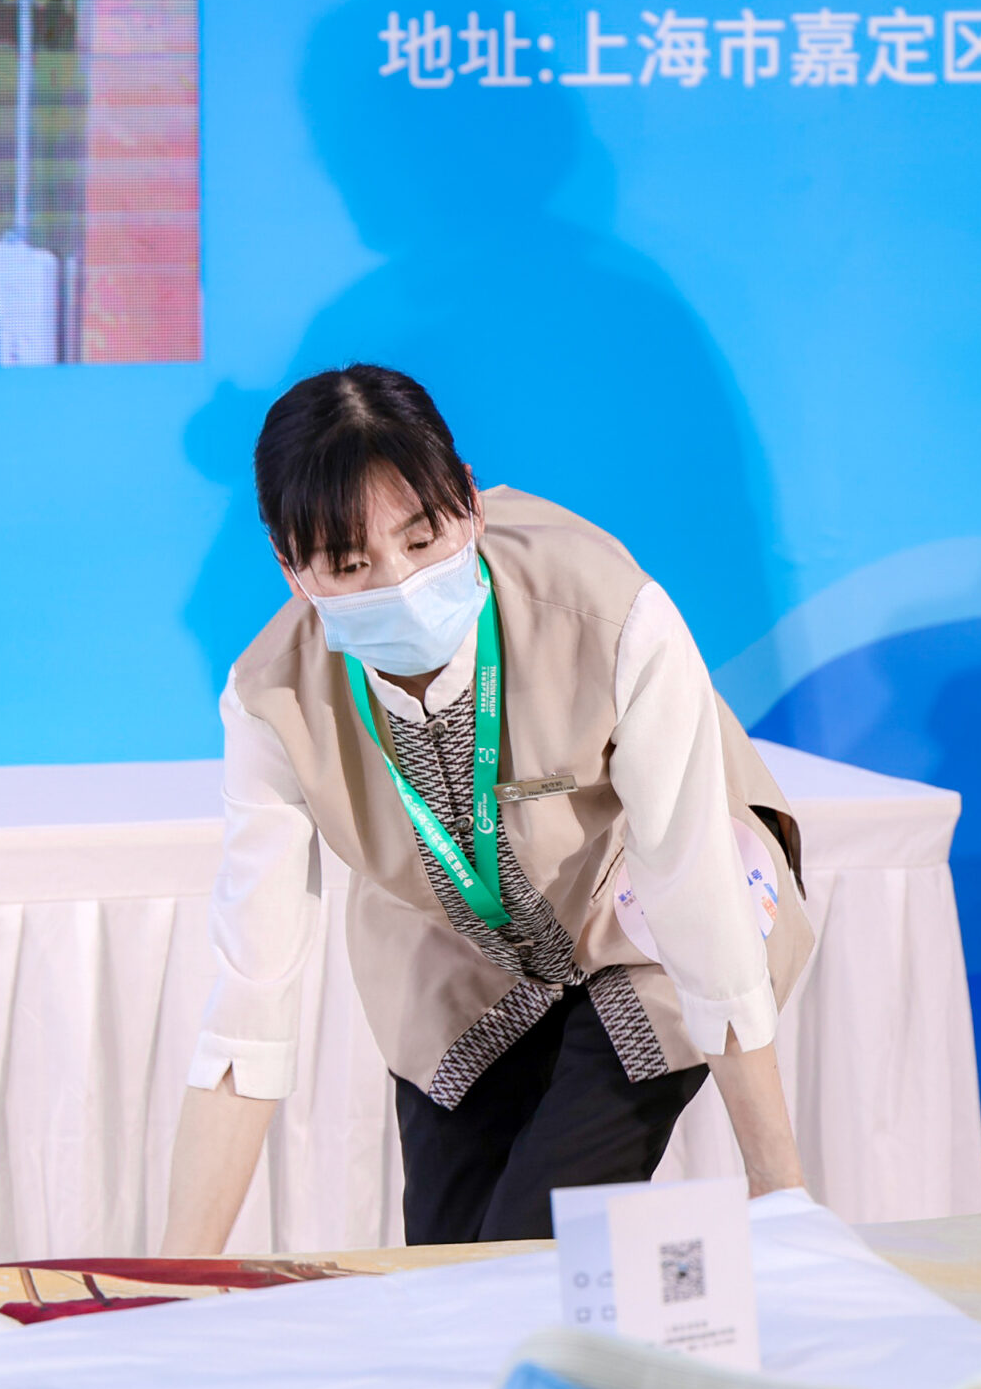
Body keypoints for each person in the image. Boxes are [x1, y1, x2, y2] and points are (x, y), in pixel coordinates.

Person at [159, 365, 812, 1251]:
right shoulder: (271, 700)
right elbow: (252, 995)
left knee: (524, 1256)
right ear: (291, 569)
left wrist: (778, 1186)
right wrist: (175, 1280)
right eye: (348, 565)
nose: (398, 582)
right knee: (444, 1271)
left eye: (422, 538)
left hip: (642, 919)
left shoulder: (609, 612)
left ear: (467, 502)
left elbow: (691, 882)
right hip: (453, 958)